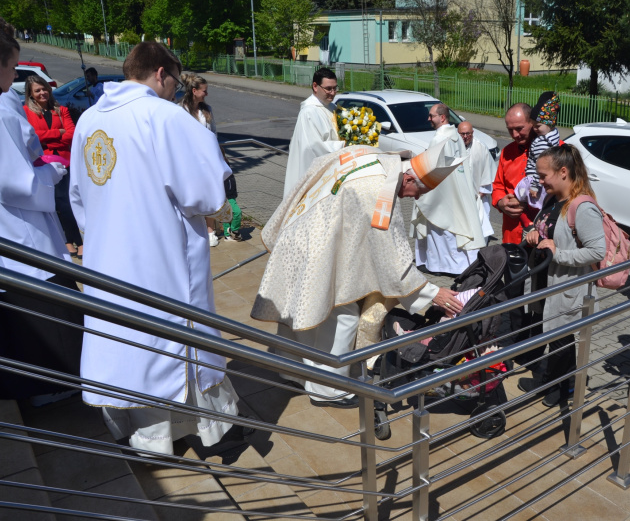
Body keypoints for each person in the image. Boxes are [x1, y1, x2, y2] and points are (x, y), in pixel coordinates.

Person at [70, 42, 242, 455]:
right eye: (175, 81)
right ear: (161, 73)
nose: (174, 90)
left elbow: (78, 195)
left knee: (130, 348)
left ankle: (149, 438)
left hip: (108, 258)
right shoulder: (162, 116)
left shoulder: (89, 119)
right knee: (171, 342)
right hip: (160, 258)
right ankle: (199, 432)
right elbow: (205, 194)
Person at [251, 142, 465, 407]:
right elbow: (393, 257)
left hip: (299, 234)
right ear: (409, 177)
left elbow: (319, 164)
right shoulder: (381, 190)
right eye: (418, 191)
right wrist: (433, 293)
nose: (415, 198)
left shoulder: (371, 154)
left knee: (302, 310)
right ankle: (328, 390)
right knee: (342, 314)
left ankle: (293, 370)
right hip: (317, 250)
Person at [0, 17, 84, 405]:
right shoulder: (0, 110)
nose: (13, 76)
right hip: (20, 228)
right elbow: (15, 182)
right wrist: (51, 171)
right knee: (43, 311)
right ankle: (52, 387)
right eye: (11, 66)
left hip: (17, 222)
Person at [516, 145, 606, 407]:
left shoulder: (583, 207)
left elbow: (596, 251)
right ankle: (553, 381)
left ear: (563, 172)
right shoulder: (551, 199)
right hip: (547, 282)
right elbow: (545, 231)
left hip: (567, 285)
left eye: (544, 176)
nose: (540, 182)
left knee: (561, 337)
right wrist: (532, 233)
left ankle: (560, 386)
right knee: (553, 334)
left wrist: (558, 254)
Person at [411, 103, 485, 276]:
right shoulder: (455, 135)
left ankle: (439, 266)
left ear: (442, 117)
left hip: (442, 192)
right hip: (458, 188)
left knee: (440, 227)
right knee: (455, 228)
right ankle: (458, 266)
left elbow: (433, 168)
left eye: (431, 115)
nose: (428, 118)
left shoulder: (439, 139)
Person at [23, 74, 83, 259]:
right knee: (54, 203)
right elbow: (34, 137)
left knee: (67, 202)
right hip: (43, 164)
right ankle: (67, 240)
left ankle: (79, 242)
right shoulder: (26, 111)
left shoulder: (61, 110)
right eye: (37, 90)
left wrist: (50, 140)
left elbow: (72, 134)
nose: (42, 93)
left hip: (65, 161)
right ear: (31, 94)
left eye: (44, 89)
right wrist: (58, 132)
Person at [179, 73, 239, 245]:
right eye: (204, 91)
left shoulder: (207, 110)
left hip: (207, 161)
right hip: (189, 161)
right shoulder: (180, 110)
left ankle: (211, 230)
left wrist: (219, 156)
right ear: (194, 90)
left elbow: (213, 135)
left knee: (209, 193)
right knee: (193, 195)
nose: (206, 94)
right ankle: (194, 230)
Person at [283, 67, 345, 197]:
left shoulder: (332, 107)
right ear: (315, 86)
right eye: (328, 88)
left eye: (335, 88)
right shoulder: (309, 112)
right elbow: (313, 147)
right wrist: (344, 146)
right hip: (315, 178)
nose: (333, 93)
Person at [516, 92, 562, 233]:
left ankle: (534, 226)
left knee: (535, 204)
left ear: (549, 123)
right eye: (534, 125)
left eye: (538, 125)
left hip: (538, 184)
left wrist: (534, 185)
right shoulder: (545, 137)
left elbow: (540, 168)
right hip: (537, 180)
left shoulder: (544, 143)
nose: (535, 128)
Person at [492, 103, 537, 244]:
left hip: (540, 234)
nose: (515, 135)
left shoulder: (556, 149)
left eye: (519, 129)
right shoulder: (507, 152)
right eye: (510, 130)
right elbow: (498, 186)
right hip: (511, 233)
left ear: (532, 123)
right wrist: (501, 203)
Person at [458, 121, 496, 240]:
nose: (465, 137)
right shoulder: (453, 147)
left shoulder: (481, 147)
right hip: (460, 195)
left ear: (473, 133)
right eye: (462, 134)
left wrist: (482, 191)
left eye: (468, 134)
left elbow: (489, 170)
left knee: (480, 225)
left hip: (478, 195)